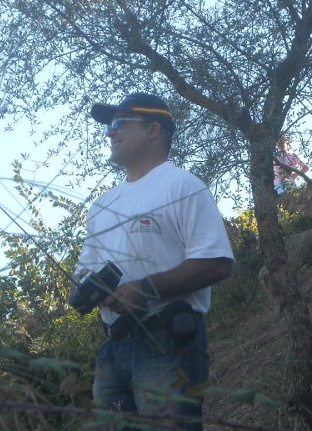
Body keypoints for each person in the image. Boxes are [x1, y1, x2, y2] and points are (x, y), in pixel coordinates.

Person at [74, 92, 234, 430]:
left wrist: (143, 289)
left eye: (119, 123)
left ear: (153, 129)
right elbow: (84, 270)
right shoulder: (101, 205)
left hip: (168, 343)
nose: (110, 132)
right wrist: (89, 289)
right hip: (112, 347)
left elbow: (217, 262)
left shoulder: (183, 186)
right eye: (109, 126)